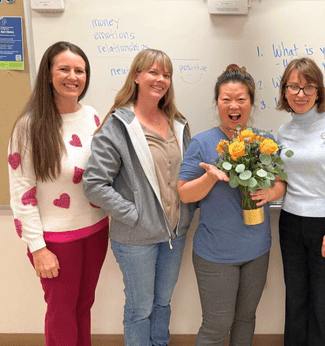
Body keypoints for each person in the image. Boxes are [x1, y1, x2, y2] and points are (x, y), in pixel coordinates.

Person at [82, 49, 194, 346]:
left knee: (162, 303)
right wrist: (135, 215)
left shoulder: (177, 123)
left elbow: (185, 176)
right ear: (137, 76)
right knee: (140, 309)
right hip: (135, 238)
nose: (160, 79)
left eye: (166, 75)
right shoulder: (119, 125)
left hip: (174, 233)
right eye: (153, 73)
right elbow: (94, 183)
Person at [8, 41, 109, 346]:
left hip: (95, 230)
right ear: (48, 74)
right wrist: (37, 247)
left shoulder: (92, 115)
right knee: (62, 311)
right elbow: (21, 192)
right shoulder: (29, 126)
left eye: (80, 70)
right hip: (55, 239)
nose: (73, 76)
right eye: (64, 69)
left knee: (83, 306)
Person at [177, 64, 286, 346]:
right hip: (215, 254)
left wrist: (271, 194)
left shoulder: (265, 141)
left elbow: (280, 183)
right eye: (226, 99)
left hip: (257, 249)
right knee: (216, 326)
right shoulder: (202, 142)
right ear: (217, 103)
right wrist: (210, 178)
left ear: (251, 103)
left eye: (241, 99)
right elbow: (185, 194)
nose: (233, 105)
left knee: (246, 319)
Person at [275, 57, 325, 346]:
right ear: (284, 91)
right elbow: (282, 181)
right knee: (295, 300)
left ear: (319, 92)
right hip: (290, 223)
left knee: (324, 303)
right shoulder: (282, 133)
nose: (300, 94)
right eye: (293, 87)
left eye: (308, 87)